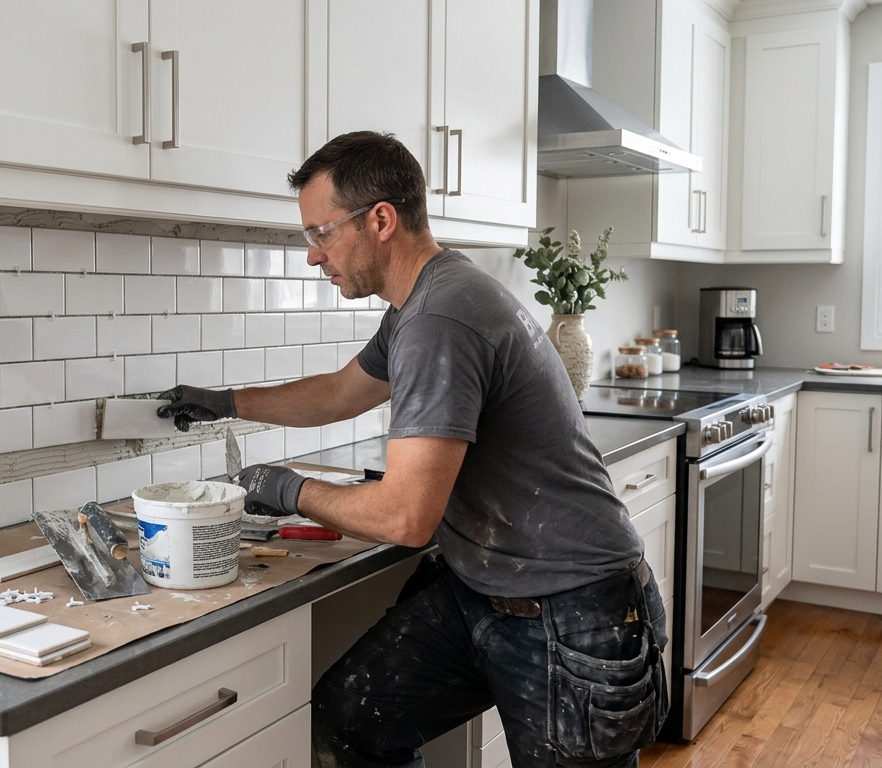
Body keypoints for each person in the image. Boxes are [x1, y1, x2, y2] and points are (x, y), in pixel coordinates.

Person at [158, 131, 667, 767]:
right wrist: (228, 402)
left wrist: (288, 490)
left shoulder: (439, 318)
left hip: (572, 613)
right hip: (488, 589)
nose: (314, 256)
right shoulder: (421, 302)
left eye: (322, 233)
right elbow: (342, 393)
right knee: (347, 722)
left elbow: (405, 517)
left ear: (380, 220)